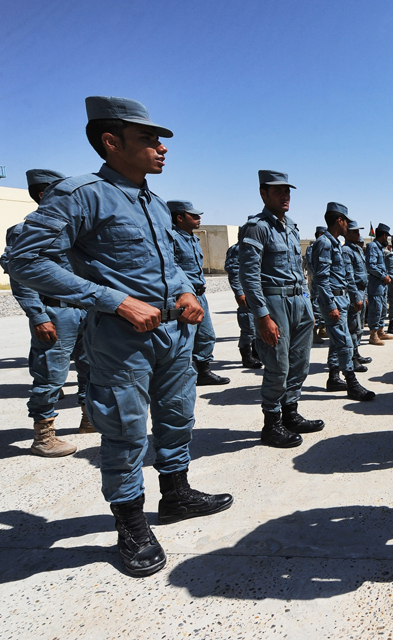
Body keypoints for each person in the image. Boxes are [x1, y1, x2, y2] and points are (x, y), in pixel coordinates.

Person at [8, 96, 233, 577]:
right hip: (120, 338)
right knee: (126, 430)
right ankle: (130, 523)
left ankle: (175, 494)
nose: (161, 148)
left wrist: (189, 291)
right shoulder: (82, 194)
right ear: (111, 142)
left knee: (177, 417)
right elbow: (25, 260)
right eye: (148, 138)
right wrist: (114, 301)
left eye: (160, 140)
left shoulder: (150, 198)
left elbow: (164, 264)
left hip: (173, 333)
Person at [1, 168, 90, 457]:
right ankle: (44, 435)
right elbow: (21, 277)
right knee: (51, 375)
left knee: (92, 367)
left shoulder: (75, 228)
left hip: (86, 312)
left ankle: (89, 419)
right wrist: (38, 316)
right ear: (44, 194)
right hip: (56, 313)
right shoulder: (25, 231)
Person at [239, 170, 325, 448]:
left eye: (287, 191)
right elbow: (249, 276)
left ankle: (291, 412)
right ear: (264, 194)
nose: (285, 196)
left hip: (299, 301)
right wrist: (262, 315)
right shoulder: (257, 227)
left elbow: (299, 270)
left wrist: (307, 307)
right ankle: (271, 423)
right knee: (278, 365)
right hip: (274, 302)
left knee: (300, 362)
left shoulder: (291, 226)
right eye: (278, 191)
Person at [311, 202, 376, 401]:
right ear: (339, 220)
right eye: (346, 221)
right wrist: (330, 305)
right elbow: (320, 278)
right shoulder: (325, 243)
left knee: (338, 341)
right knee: (345, 342)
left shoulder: (333, 243)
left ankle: (333, 378)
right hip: (333, 299)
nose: (348, 225)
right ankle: (352, 382)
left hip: (340, 297)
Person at [169, 200, 231, 386]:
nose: (199, 218)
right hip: (183, 296)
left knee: (205, 335)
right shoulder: (171, 238)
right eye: (193, 215)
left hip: (200, 294)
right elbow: (172, 267)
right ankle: (179, 376)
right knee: (184, 338)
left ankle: (203, 372)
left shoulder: (193, 238)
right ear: (179, 218)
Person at [225, 238, 263, 369]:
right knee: (249, 326)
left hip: (259, 292)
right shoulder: (238, 248)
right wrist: (239, 292)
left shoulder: (259, 247)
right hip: (247, 292)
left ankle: (256, 353)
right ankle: (246, 357)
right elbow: (233, 271)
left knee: (259, 324)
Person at [343, 219, 371, 369]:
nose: (358, 234)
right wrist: (356, 297)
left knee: (359, 327)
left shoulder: (357, 249)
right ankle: (352, 358)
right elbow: (349, 277)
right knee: (353, 326)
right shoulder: (346, 251)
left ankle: (356, 352)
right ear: (346, 233)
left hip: (362, 290)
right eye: (354, 231)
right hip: (354, 292)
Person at [366, 224, 393, 344]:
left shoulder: (380, 248)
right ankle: (373, 335)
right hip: (375, 284)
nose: (387, 239)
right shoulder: (372, 246)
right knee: (375, 309)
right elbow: (371, 266)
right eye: (387, 236)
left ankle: (380, 331)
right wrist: (383, 276)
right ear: (384, 235)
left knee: (382, 309)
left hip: (382, 285)